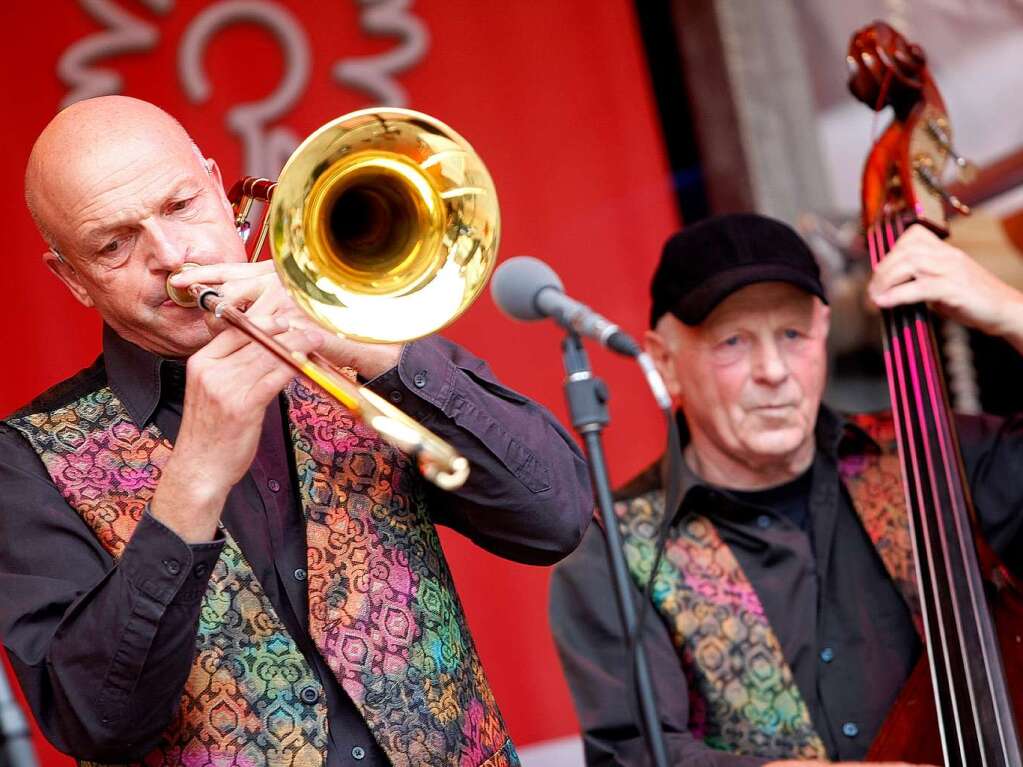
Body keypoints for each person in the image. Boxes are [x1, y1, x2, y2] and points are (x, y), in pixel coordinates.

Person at [0, 96, 593, 767]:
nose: (169, 255)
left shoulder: (360, 349)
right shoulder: (23, 461)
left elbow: (555, 518)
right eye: (115, 243)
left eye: (180, 205)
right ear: (73, 279)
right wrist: (193, 477)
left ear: (222, 191)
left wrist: (372, 351)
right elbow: (96, 724)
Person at [549, 212, 1023, 766]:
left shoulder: (940, 457)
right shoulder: (612, 550)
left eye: (793, 335)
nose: (773, 369)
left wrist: (1013, 312)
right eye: (734, 341)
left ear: (823, 331)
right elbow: (635, 755)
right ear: (664, 362)